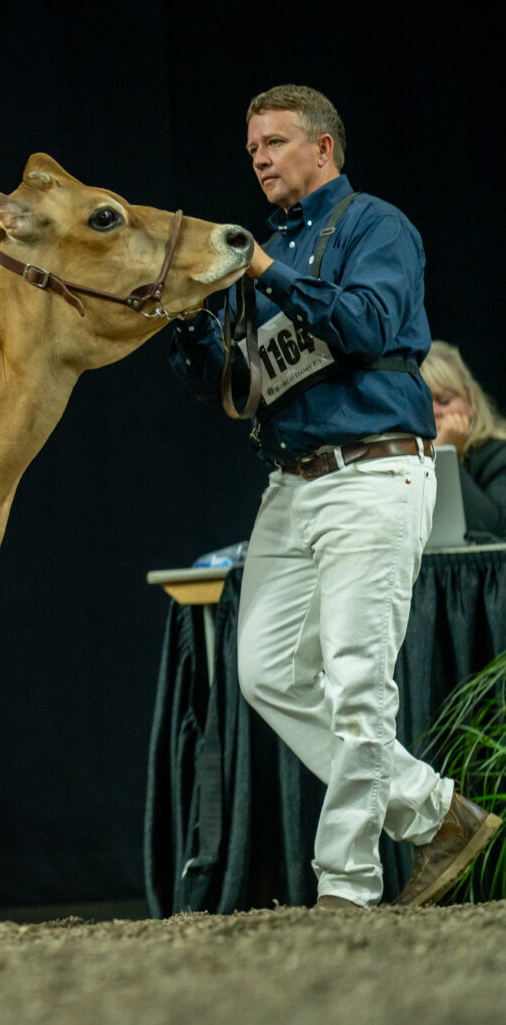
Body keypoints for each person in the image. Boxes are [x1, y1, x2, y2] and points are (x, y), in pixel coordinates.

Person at [169, 84, 501, 910]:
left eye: (274, 142)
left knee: (357, 681)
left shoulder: (373, 226)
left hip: (374, 469)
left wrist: (266, 272)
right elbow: (234, 390)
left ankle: (345, 887)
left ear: (323, 148)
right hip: (291, 482)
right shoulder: (262, 257)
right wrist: (187, 324)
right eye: (252, 147)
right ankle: (437, 812)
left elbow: (367, 325)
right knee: (267, 671)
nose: (259, 158)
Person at [421, 341, 506, 539]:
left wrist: (442, 456)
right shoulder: (403, 462)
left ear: (471, 403)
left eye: (444, 401)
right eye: (423, 404)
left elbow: (493, 531)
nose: (434, 411)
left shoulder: (500, 455)